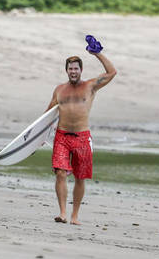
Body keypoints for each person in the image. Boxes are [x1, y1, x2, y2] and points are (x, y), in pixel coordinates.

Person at [46, 37, 116, 224]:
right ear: (66, 71)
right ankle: (62, 213)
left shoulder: (90, 86)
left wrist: (97, 53)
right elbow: (48, 114)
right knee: (60, 173)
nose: (73, 71)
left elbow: (112, 72)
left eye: (76, 68)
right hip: (61, 137)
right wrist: (38, 135)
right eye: (70, 69)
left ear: (81, 70)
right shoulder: (59, 90)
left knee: (80, 177)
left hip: (82, 138)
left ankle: (75, 215)